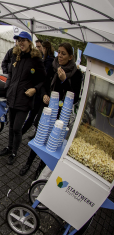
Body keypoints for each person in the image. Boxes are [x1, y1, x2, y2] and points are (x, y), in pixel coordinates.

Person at [21, 42, 83, 178]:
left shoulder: (77, 74)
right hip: (47, 109)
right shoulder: (54, 66)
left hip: (61, 114)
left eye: (63, 54)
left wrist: (64, 80)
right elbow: (43, 83)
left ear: (71, 57)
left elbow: (75, 98)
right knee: (39, 135)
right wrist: (44, 94)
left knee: (51, 143)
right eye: (59, 52)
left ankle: (39, 170)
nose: (60, 56)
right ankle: (28, 163)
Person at [0, 31, 46, 166]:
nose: (20, 42)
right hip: (12, 96)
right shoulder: (15, 55)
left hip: (25, 99)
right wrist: (8, 88)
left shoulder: (36, 59)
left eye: (23, 40)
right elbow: (11, 75)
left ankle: (14, 152)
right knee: (11, 126)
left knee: (17, 128)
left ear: (29, 42)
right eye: (19, 40)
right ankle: (9, 147)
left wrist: (35, 89)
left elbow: (43, 79)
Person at [22, 41, 55, 140]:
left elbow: (44, 78)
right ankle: (23, 132)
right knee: (32, 115)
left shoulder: (49, 61)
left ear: (45, 48)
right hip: (40, 92)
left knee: (36, 117)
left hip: (43, 94)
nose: (38, 49)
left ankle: (26, 133)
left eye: (40, 47)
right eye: (37, 47)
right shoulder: (43, 59)